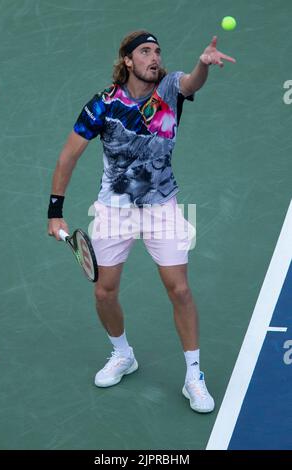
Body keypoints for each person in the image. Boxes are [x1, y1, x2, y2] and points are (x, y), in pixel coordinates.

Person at [47, 30, 235, 413]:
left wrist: (203, 64)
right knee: (104, 291)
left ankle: (193, 376)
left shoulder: (168, 89)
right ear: (128, 61)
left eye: (157, 51)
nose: (154, 57)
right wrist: (55, 211)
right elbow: (68, 157)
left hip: (161, 207)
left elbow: (191, 82)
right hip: (113, 210)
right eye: (145, 52)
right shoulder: (102, 104)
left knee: (179, 289)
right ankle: (122, 354)